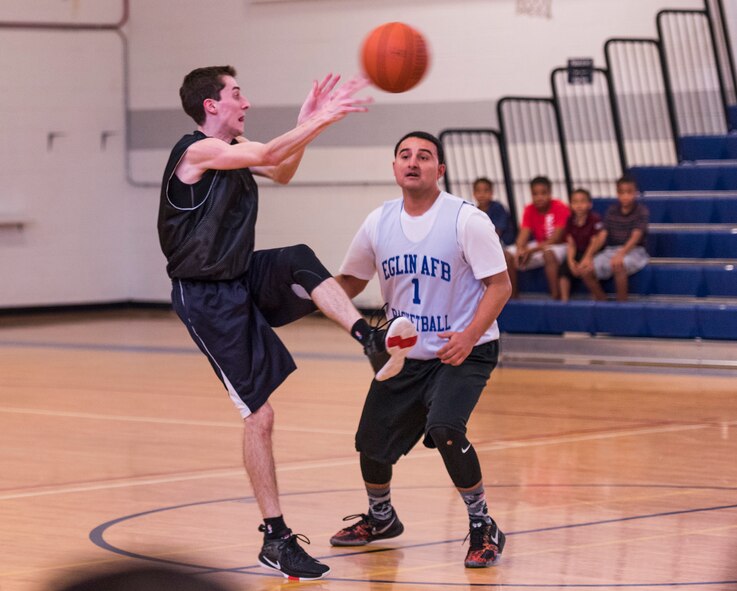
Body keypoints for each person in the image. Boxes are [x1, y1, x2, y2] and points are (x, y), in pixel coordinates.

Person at [157, 66, 418, 581]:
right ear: (211, 105)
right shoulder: (197, 151)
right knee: (260, 416)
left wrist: (305, 124)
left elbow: (281, 169)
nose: (246, 102)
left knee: (298, 256)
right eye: (237, 93)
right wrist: (320, 119)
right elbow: (271, 155)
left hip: (240, 276)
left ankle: (369, 338)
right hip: (206, 296)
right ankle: (275, 538)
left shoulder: (235, 148)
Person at [331, 131, 512, 568]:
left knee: (446, 428)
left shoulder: (466, 219)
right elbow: (350, 282)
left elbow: (500, 285)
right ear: (394, 168)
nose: (413, 162)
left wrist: (468, 335)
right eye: (405, 156)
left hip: (463, 349)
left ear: (440, 170)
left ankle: (482, 525)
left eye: (424, 156)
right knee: (371, 443)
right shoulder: (379, 221)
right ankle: (381, 518)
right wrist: (307, 296)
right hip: (404, 356)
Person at [506, 176, 569, 299]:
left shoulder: (560, 207)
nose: (539, 197)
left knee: (548, 254)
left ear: (550, 193)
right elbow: (523, 234)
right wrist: (520, 249)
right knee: (507, 254)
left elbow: (556, 238)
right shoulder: (529, 209)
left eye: (543, 193)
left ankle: (556, 297)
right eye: (535, 194)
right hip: (539, 245)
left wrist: (530, 251)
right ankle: (513, 297)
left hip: (561, 245)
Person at [593, 175, 650, 301]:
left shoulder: (641, 211)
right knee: (587, 268)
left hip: (635, 250)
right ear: (617, 193)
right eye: (621, 192)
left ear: (635, 193)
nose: (625, 196)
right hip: (611, 249)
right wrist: (587, 256)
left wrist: (621, 254)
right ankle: (602, 302)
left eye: (629, 192)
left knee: (619, 264)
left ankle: (621, 304)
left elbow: (636, 237)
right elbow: (602, 235)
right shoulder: (612, 210)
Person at [558, 188, 606, 302]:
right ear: (570, 204)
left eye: (582, 201)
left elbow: (595, 241)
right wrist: (570, 262)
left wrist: (587, 259)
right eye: (575, 202)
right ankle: (564, 301)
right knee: (563, 270)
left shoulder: (594, 219)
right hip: (578, 251)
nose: (579, 205)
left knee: (588, 269)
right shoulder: (570, 220)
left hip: (594, 251)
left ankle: (599, 298)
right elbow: (571, 243)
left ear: (589, 204)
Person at [472, 177, 517, 246]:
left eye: (486, 191)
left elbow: (497, 231)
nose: (482, 194)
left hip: (504, 242)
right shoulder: (474, 211)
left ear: (491, 193)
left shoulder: (497, 207)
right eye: (478, 191)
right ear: (474, 193)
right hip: (485, 241)